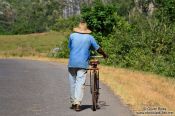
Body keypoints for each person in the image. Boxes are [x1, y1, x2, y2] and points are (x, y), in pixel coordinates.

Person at [68, 20, 108, 111]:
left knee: (72, 83)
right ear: (86, 30)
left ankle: (73, 102)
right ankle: (77, 103)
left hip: (72, 63)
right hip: (82, 63)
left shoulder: (72, 36)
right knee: (80, 83)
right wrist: (104, 54)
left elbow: (70, 48)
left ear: (78, 29)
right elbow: (98, 48)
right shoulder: (90, 37)